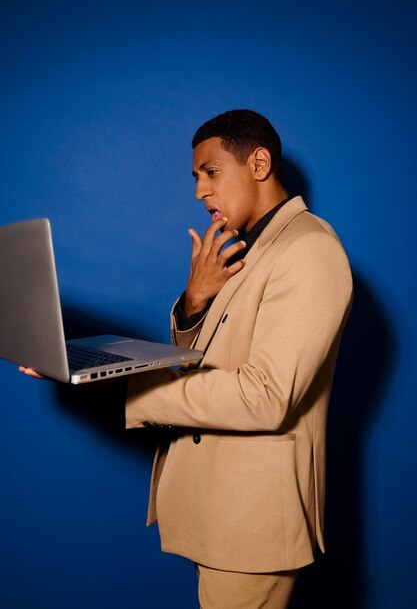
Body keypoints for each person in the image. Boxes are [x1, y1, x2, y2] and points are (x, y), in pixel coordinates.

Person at [22, 109, 353, 609]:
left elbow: (265, 397)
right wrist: (194, 303)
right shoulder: (251, 245)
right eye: (197, 177)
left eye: (211, 172)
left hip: (253, 520)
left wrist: (129, 386)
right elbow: (208, 358)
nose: (200, 191)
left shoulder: (309, 251)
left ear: (259, 163)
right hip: (220, 507)